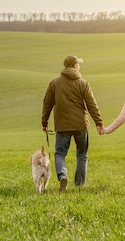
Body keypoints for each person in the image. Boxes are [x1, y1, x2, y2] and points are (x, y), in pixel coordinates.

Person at [42, 55, 105, 192]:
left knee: (60, 153)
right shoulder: (83, 83)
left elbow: (47, 104)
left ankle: (63, 175)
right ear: (75, 66)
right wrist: (99, 123)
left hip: (62, 125)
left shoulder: (55, 83)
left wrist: (44, 122)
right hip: (81, 125)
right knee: (82, 155)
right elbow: (92, 105)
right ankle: (79, 185)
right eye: (78, 64)